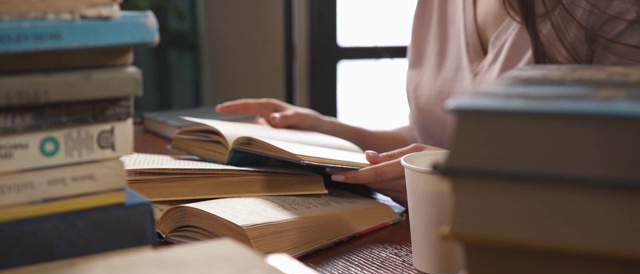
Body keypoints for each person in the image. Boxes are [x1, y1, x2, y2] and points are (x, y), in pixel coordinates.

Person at [216, 0, 640, 207]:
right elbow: (436, 135)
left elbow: (623, 178)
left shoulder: (605, 8)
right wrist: (330, 128)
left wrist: (463, 179)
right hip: (429, 241)